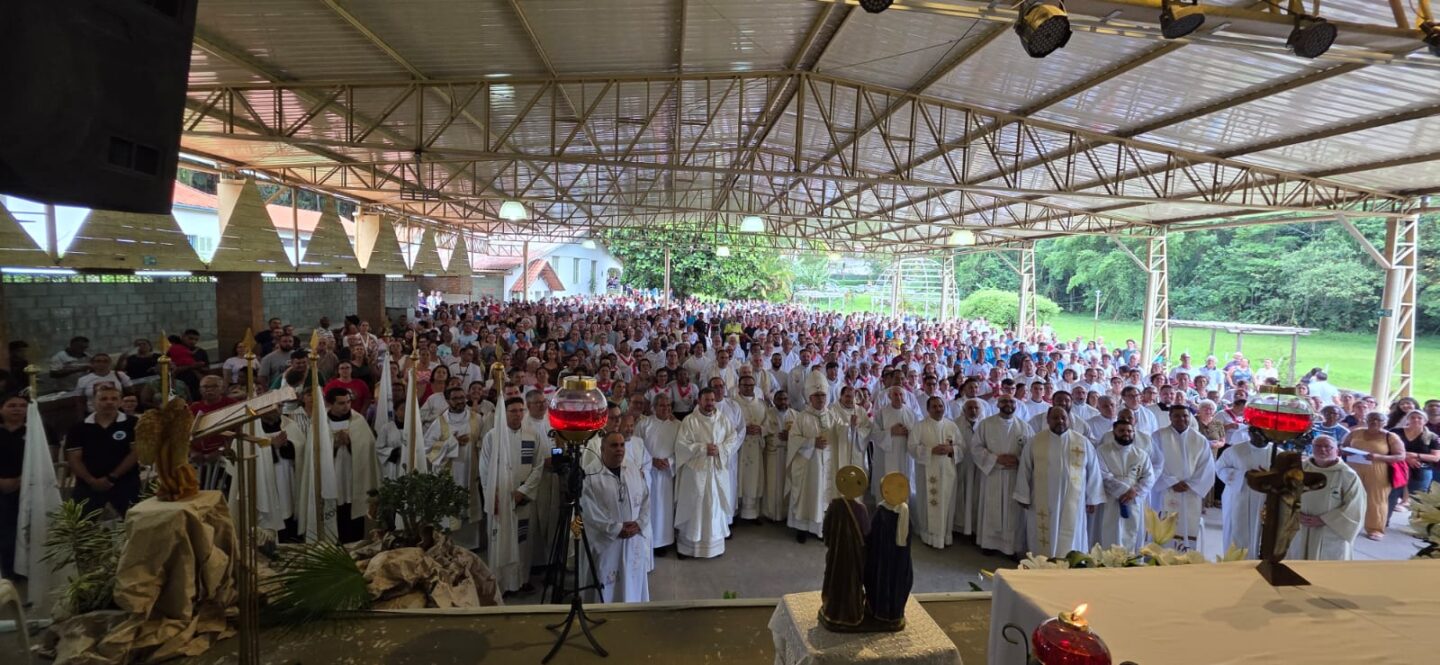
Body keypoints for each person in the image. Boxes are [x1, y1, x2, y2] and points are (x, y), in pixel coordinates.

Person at [1014, 407, 1104, 558]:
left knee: (1072, 532)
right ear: (1048, 420)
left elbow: (1093, 470)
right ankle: (1042, 563)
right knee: (1043, 532)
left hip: (1074, 499)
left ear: (1069, 420)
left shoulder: (1082, 442)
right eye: (1055, 418)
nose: (1060, 421)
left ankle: (1070, 562)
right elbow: (1025, 469)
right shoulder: (1036, 441)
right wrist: (1023, 495)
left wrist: (1093, 498)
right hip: (1042, 499)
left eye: (1063, 418)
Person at [480, 396, 542, 595]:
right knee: (500, 539)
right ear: (503, 413)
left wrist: (523, 491)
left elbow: (538, 466)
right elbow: (484, 469)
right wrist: (494, 494)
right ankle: (500, 582)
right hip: (500, 499)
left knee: (522, 541)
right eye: (513, 411)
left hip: (522, 498)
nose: (517, 414)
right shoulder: (493, 436)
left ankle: (521, 580)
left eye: (520, 410)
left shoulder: (532, 435)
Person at [581, 431, 651, 603]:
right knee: (608, 587)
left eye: (622, 445)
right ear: (602, 448)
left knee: (632, 584)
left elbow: (645, 498)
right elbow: (588, 510)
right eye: (614, 445)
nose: (619, 449)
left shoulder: (632, 468)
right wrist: (617, 529)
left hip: (633, 540)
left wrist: (639, 524)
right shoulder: (590, 475)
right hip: (607, 542)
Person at [673, 388, 737, 558]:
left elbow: (733, 438)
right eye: (706, 400)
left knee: (713, 506)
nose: (710, 404)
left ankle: (713, 546)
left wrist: (720, 449)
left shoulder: (723, 419)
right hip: (695, 471)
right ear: (699, 401)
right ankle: (688, 547)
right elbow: (681, 445)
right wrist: (703, 448)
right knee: (694, 505)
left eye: (712, 400)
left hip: (716, 470)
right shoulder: (690, 421)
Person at [424, 387, 486, 548]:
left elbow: (485, 443)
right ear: (448, 401)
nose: (460, 401)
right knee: (450, 512)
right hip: (449, 474)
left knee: (469, 509)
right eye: (455, 398)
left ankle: (471, 546)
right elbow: (427, 449)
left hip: (470, 472)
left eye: (461, 397)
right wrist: (452, 443)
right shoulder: (440, 422)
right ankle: (449, 546)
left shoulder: (477, 419)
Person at [64, 386, 140, 517]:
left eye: (114, 398)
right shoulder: (78, 428)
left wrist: (112, 477)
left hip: (126, 482)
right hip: (88, 485)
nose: (109, 402)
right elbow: (74, 459)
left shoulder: (134, 424)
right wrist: (92, 481)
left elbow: (136, 452)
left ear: (120, 401)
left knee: (136, 523)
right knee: (79, 528)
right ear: (93, 402)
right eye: (103, 399)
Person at [1288, 435, 1365, 561]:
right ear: (1312, 448)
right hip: (1300, 524)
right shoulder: (1300, 469)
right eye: (1318, 446)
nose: (1322, 450)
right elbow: (1288, 495)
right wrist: (1295, 514)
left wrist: (1324, 520)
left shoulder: (1348, 475)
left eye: (1328, 447)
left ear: (1337, 451)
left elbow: (1355, 506)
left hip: (1330, 529)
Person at [970, 395, 1030, 556]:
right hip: (993, 475)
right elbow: (975, 448)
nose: (1008, 404)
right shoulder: (986, 424)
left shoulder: (1024, 427)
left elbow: (1030, 452)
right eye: (1004, 401)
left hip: (1014, 476)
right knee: (992, 508)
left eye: (1011, 402)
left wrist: (1017, 460)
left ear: (1016, 405)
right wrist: (995, 459)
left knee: (1013, 513)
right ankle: (989, 544)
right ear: (997, 404)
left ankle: (1011, 548)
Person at [1151, 407, 1215, 549]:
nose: (1181, 419)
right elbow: (1152, 463)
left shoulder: (1199, 439)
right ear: (1170, 417)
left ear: (1190, 417)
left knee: (1187, 526)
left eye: (1185, 416)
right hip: (1165, 491)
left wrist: (1191, 484)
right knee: (1163, 528)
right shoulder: (1158, 436)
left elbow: (1207, 467)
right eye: (1177, 416)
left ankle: (1186, 557)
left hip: (1190, 492)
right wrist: (1170, 482)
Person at [325, 388, 379, 544]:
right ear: (330, 404)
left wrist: (350, 443)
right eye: (341, 403)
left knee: (353, 510)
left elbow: (367, 446)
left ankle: (355, 544)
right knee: (335, 510)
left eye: (348, 402)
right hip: (333, 477)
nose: (346, 406)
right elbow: (315, 452)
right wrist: (334, 444)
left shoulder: (358, 421)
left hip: (353, 476)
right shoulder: (321, 423)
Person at [1342, 411, 1405, 541]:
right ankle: (1347, 524)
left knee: (1376, 500)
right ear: (1366, 419)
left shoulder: (1390, 436)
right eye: (1371, 419)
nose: (1374, 422)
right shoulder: (1356, 432)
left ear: (1385, 422)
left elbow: (1400, 456)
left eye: (1378, 420)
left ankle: (1375, 529)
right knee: (1349, 496)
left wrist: (1378, 456)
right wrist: (1345, 451)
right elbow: (1344, 446)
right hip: (1354, 468)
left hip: (1378, 470)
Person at [787, 372, 834, 543]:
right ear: (810, 397)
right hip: (807, 465)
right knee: (807, 495)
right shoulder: (802, 417)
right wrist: (812, 443)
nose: (821, 399)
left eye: (823, 395)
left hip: (826, 464)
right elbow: (793, 440)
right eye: (817, 396)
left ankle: (819, 528)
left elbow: (839, 435)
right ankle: (801, 529)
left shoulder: (831, 415)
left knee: (823, 495)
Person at [909, 395, 961, 549]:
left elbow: (962, 448)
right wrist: (931, 450)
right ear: (928, 409)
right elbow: (911, 447)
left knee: (946, 502)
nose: (938, 409)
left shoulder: (952, 426)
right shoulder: (920, 426)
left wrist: (952, 449)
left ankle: (945, 535)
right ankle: (928, 535)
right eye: (935, 407)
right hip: (927, 471)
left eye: (940, 406)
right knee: (928, 501)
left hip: (948, 472)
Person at [1094, 420, 1153, 553]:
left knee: (1131, 533)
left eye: (1129, 431)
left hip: (1133, 501)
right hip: (1110, 499)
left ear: (1134, 433)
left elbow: (1149, 477)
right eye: (1122, 431)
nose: (1126, 434)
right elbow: (1102, 474)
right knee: (1109, 533)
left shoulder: (1141, 454)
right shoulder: (1102, 451)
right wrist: (1125, 490)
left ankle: (1130, 564)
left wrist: (1135, 492)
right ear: (1114, 431)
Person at [1215, 427, 1272, 559]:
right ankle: (1232, 561)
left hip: (1263, 499)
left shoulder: (1277, 453)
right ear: (1249, 434)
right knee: (1235, 531)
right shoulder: (1235, 450)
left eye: (1262, 433)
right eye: (1254, 433)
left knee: (1259, 533)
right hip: (1238, 496)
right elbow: (1220, 468)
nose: (1258, 437)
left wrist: (1269, 476)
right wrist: (1244, 474)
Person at [642, 393, 681, 555]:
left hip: (667, 474)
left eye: (668, 406)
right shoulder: (645, 424)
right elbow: (637, 446)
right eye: (662, 406)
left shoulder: (677, 425)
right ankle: (649, 540)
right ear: (654, 407)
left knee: (665, 508)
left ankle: (664, 541)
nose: (666, 409)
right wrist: (651, 461)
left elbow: (681, 448)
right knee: (649, 507)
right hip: (648, 471)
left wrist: (670, 461)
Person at [732, 373, 768, 522]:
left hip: (755, 447)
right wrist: (742, 430)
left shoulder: (761, 404)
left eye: (751, 385)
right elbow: (726, 425)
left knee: (753, 478)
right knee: (738, 478)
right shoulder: (733, 404)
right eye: (745, 385)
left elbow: (768, 423)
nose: (748, 388)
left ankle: (752, 513)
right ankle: (735, 512)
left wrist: (761, 429)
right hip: (739, 448)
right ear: (739, 387)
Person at [1393, 410, 1439, 513]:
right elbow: (1387, 449)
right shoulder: (1396, 432)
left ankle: (1407, 501)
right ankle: (1399, 499)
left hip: (1421, 466)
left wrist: (1416, 455)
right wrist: (1406, 458)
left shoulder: (1432, 437)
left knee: (1418, 497)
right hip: (1398, 463)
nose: (1416, 420)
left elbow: (1436, 457)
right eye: (1412, 417)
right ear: (1408, 419)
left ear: (1425, 421)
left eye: (1419, 418)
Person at [0, 395, 25, 579]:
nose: (17, 409)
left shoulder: (36, 431)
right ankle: (7, 572)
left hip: (27, 486)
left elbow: (49, 458)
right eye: (12, 405)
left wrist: (20, 480)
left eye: (22, 406)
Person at [762, 390, 795, 523]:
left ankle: (786, 514)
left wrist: (790, 437)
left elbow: (800, 434)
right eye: (780, 399)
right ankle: (771, 513)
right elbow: (763, 430)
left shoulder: (795, 415)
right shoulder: (768, 414)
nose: (783, 402)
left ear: (789, 401)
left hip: (789, 454)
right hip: (773, 454)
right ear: (774, 401)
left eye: (785, 399)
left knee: (787, 484)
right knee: (772, 484)